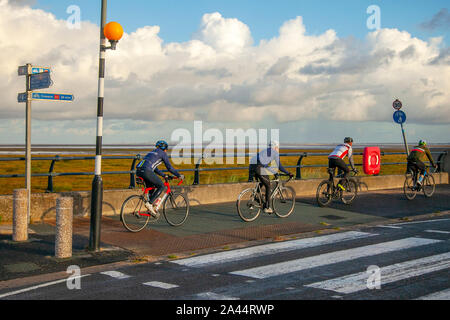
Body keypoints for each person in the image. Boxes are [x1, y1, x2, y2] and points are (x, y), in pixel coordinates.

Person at [136, 140, 183, 217]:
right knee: (161, 186)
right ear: (165, 149)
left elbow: (155, 168)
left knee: (152, 187)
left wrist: (163, 175)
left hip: (138, 171)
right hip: (146, 171)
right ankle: (149, 204)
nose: (166, 151)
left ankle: (150, 207)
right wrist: (178, 175)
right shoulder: (163, 154)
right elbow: (169, 168)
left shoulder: (151, 152)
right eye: (166, 149)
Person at [249, 140, 293, 214]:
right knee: (268, 185)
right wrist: (288, 173)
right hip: (259, 167)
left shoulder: (265, 151)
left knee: (264, 180)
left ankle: (256, 197)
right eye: (278, 147)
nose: (278, 149)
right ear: (275, 147)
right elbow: (280, 167)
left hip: (252, 167)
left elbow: (264, 164)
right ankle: (267, 207)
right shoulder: (275, 153)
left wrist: (274, 172)